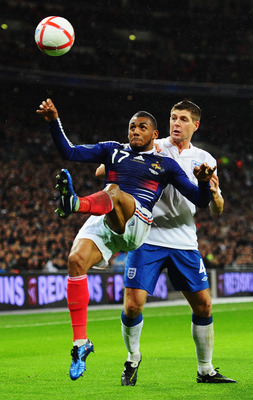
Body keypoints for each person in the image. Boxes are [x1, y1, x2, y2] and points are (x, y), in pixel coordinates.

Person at [36, 98, 215, 381]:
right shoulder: (112, 150)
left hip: (137, 222)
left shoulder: (164, 164)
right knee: (75, 260)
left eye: (142, 127)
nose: (135, 131)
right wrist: (53, 122)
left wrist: (204, 183)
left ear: (154, 135)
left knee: (115, 191)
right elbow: (69, 152)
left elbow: (199, 200)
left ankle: (75, 204)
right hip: (104, 213)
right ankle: (80, 344)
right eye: (131, 126)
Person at [116, 99, 236, 385]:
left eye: (183, 119)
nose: (176, 123)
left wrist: (215, 194)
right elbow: (118, 163)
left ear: (195, 125)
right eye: (172, 118)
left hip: (184, 241)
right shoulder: (153, 146)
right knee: (133, 305)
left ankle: (205, 370)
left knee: (204, 306)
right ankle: (133, 358)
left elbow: (215, 209)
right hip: (147, 236)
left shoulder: (205, 159)